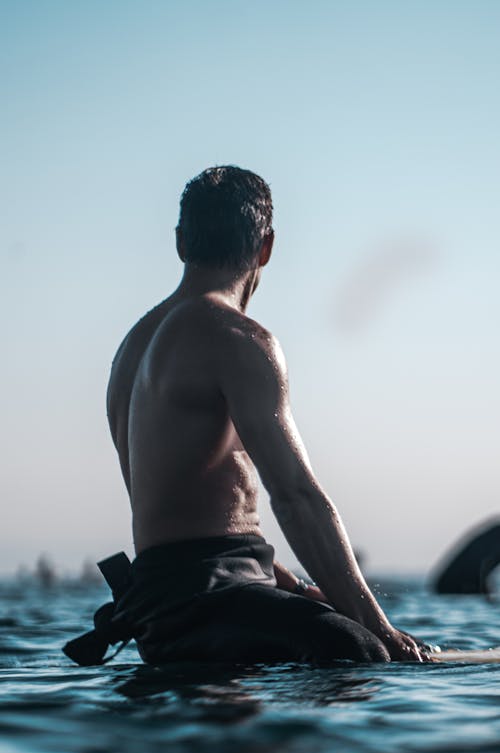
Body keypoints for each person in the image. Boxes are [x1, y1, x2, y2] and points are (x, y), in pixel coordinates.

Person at [78, 166, 428, 666]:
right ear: (266, 246)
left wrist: (301, 589)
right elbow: (296, 497)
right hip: (211, 604)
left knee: (337, 623)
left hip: (157, 610)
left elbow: (189, 521)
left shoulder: (131, 349)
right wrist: (379, 628)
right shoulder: (239, 339)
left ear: (181, 242)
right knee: (360, 650)